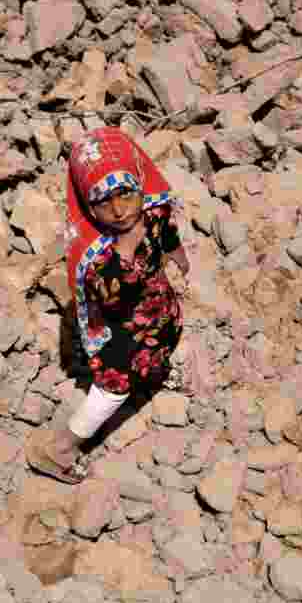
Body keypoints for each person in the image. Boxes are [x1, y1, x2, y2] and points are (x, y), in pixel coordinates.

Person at [26, 127, 191, 484]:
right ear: (88, 203)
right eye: (103, 201)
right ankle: (59, 449)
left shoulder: (149, 208)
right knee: (111, 391)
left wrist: (175, 251)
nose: (118, 210)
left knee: (162, 340)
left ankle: (155, 368)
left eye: (125, 194)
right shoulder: (95, 252)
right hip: (122, 337)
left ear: (138, 184)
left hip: (154, 313)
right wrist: (126, 250)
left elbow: (165, 228)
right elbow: (112, 299)